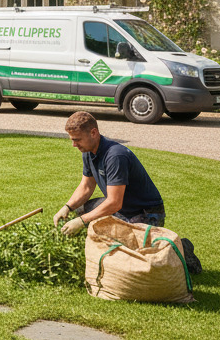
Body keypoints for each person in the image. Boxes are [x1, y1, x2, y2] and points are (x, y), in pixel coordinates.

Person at [54, 110, 201, 273]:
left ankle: (180, 249)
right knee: (81, 211)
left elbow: (114, 203)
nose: (74, 144)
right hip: (123, 208)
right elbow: (87, 186)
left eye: (77, 139)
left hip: (146, 214)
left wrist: (82, 221)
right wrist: (67, 207)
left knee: (131, 257)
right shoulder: (88, 153)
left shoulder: (115, 156)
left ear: (93, 132)